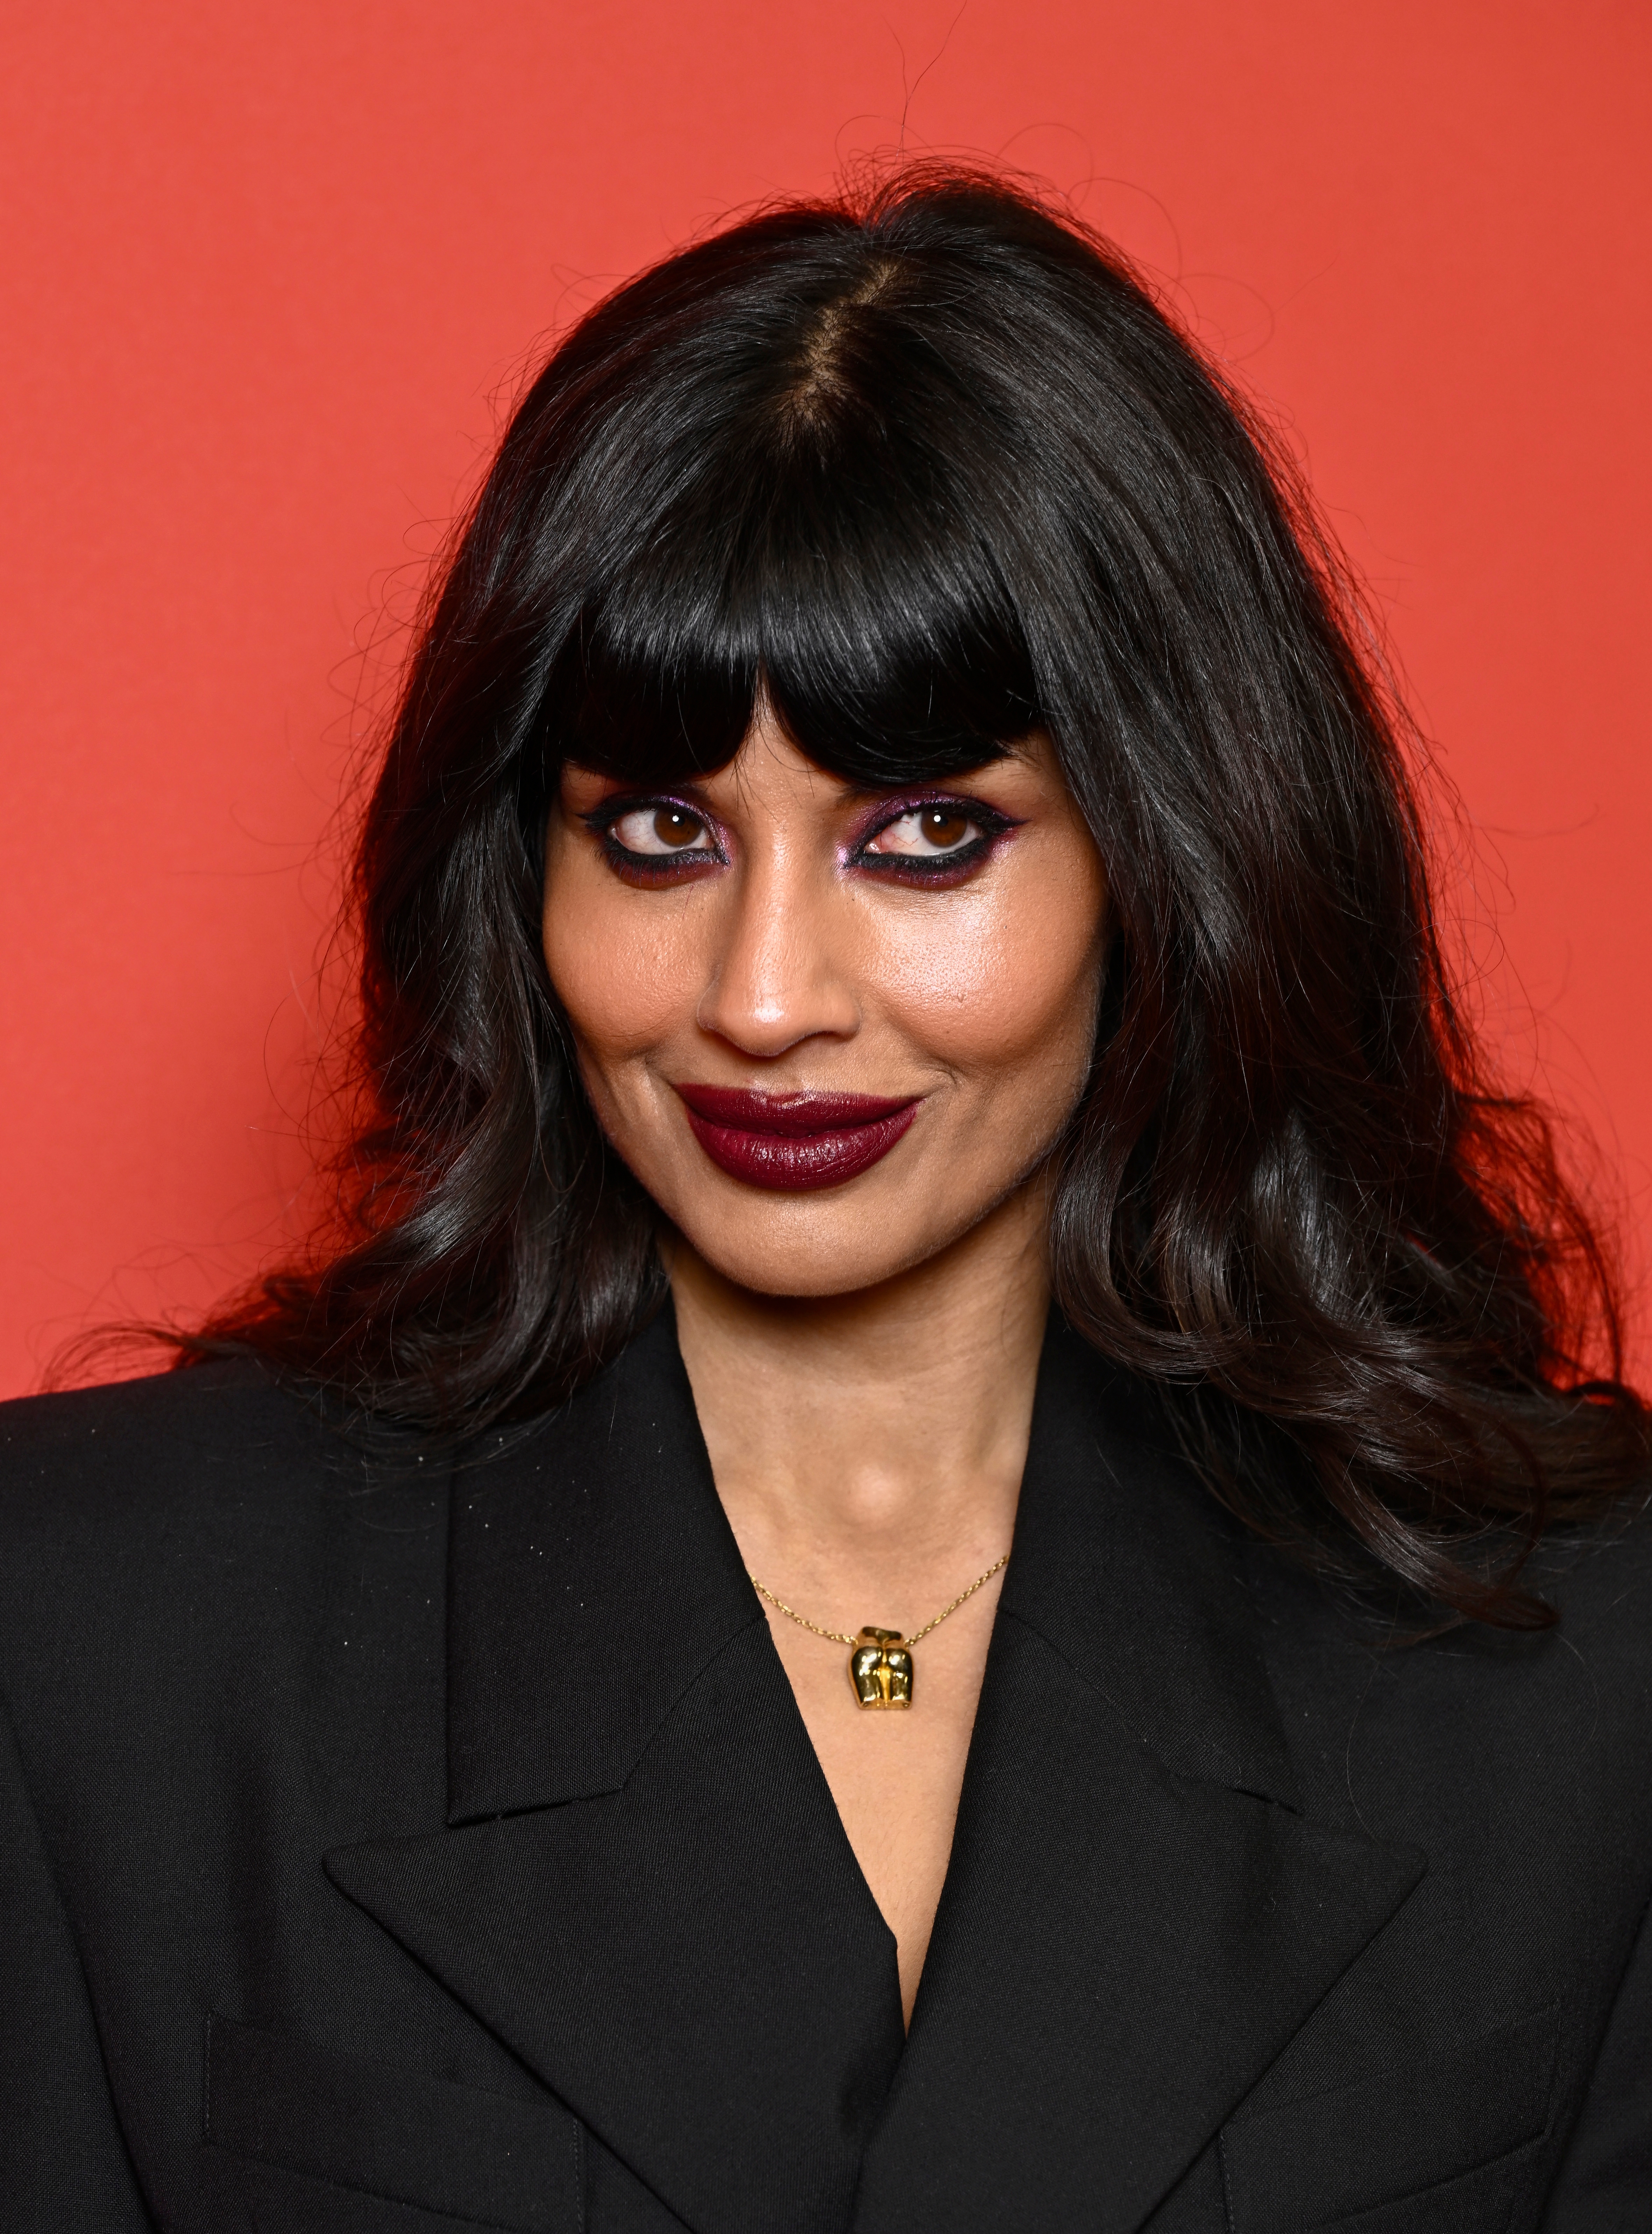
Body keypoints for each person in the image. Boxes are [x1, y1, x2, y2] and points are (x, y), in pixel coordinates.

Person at [1, 164, 1648, 2234]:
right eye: (662, 830)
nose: (760, 999)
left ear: (1171, 859)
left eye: (929, 833)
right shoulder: (84, 1633)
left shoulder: (1585, 1657)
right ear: (519, 873)